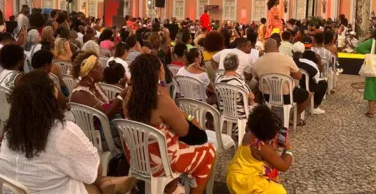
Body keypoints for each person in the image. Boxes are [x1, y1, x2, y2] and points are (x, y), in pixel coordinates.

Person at [0, 71, 136, 194]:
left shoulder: (10, 132)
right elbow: (94, 171)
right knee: (84, 177)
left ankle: (106, 182)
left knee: (69, 168)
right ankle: (105, 182)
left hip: (16, 189)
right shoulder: (64, 131)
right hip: (55, 189)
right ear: (53, 95)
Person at [125, 54, 216, 194]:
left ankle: (172, 186)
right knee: (210, 151)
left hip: (136, 156)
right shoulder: (160, 100)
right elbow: (184, 130)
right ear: (157, 73)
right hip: (161, 162)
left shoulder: (130, 96)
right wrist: (190, 118)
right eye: (161, 68)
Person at [227, 105, 292, 194]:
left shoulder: (249, 135)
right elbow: (284, 166)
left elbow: (262, 155)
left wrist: (272, 148)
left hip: (235, 177)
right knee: (279, 191)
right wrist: (288, 148)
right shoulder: (263, 147)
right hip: (247, 184)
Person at [253, 39, 310, 125]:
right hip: (287, 96)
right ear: (277, 47)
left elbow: (258, 79)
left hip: (267, 96)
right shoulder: (286, 58)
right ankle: (294, 118)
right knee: (308, 95)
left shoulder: (257, 62)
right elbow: (299, 76)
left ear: (265, 48)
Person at [70, 53, 124, 121]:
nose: (102, 70)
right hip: (97, 129)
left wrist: (114, 102)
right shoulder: (79, 93)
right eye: (99, 68)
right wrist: (120, 97)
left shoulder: (95, 85)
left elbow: (104, 106)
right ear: (89, 73)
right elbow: (104, 116)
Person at [215, 53, 256, 120]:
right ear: (237, 66)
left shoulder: (218, 79)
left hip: (224, 111)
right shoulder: (239, 82)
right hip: (240, 114)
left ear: (224, 65)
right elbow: (251, 97)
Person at [292, 42, 327, 115]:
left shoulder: (288, 61)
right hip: (306, 88)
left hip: (291, 88)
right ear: (303, 51)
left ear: (292, 51)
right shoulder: (310, 64)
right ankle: (314, 107)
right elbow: (316, 77)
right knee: (323, 83)